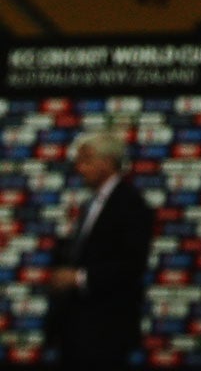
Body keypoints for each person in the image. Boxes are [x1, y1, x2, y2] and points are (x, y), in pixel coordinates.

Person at [44, 129, 153, 371]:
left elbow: (131, 266)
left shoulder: (130, 204)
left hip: (106, 330)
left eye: (86, 161)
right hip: (76, 329)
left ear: (107, 163)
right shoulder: (89, 203)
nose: (79, 168)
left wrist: (79, 278)